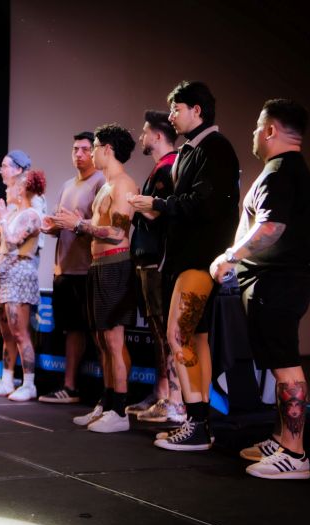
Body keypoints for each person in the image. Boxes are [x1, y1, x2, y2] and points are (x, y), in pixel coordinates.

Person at [210, 99, 310, 479]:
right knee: (278, 361)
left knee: (285, 365)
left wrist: (230, 257)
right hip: (274, 282)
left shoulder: (281, 171)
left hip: (278, 282)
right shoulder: (284, 170)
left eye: (258, 126)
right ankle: (281, 439)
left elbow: (271, 227)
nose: (254, 133)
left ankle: (295, 454)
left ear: (270, 130)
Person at [131, 81, 239, 450]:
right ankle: (200, 422)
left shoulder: (215, 147)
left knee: (178, 334)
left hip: (201, 257)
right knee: (195, 338)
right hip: (186, 257)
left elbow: (204, 204)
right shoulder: (193, 150)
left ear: (197, 110)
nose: (172, 116)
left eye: (177, 109)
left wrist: (157, 205)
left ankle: (196, 422)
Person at [54, 123, 137, 433]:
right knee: (102, 340)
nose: (91, 154)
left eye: (96, 147)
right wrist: (71, 224)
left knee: (113, 341)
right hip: (98, 265)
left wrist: (79, 225)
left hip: (115, 265)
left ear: (107, 150)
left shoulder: (123, 184)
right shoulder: (107, 185)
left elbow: (117, 232)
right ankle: (107, 402)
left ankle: (119, 411)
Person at [125, 111, 185, 425]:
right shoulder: (161, 168)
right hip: (147, 260)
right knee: (157, 331)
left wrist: (135, 202)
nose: (141, 136)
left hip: (158, 261)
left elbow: (159, 212)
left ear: (158, 136)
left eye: (145, 131)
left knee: (165, 331)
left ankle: (174, 401)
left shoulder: (168, 167)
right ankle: (162, 394)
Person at [39, 132, 105, 404]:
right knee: (72, 330)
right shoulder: (67, 185)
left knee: (100, 334)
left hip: (87, 269)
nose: (78, 154)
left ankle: (110, 395)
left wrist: (79, 224)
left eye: (85, 149)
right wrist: (52, 226)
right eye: (75, 149)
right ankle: (70, 387)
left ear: (94, 152)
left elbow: (104, 226)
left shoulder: (101, 182)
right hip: (63, 269)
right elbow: (61, 223)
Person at [0, 169, 46, 401]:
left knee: (20, 332)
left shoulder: (32, 216)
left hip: (20, 277)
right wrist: (0, 220)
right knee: (6, 332)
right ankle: (7, 380)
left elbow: (13, 241)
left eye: (10, 187)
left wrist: (2, 218)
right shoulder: (12, 215)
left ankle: (29, 384)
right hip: (4, 278)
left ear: (21, 189)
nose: (6, 191)